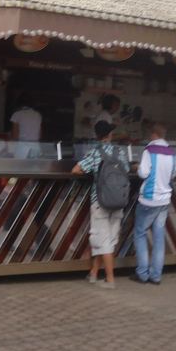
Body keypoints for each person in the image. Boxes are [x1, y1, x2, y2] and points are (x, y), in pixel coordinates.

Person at [72, 121, 129, 288]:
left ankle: (110, 279)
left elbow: (76, 169)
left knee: (102, 241)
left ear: (97, 136)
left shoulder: (95, 152)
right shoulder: (120, 152)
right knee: (108, 239)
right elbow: (126, 169)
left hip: (100, 201)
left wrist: (94, 174)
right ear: (110, 135)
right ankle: (94, 273)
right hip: (118, 200)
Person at [131, 122, 176, 285]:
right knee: (158, 237)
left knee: (140, 233)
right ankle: (156, 275)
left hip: (149, 199)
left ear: (153, 134)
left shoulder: (149, 150)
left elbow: (143, 173)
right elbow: (172, 175)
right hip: (164, 200)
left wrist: (136, 167)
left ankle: (142, 273)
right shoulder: (172, 152)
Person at [9, 94, 42, 158]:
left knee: (20, 164)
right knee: (33, 164)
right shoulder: (38, 115)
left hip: (22, 148)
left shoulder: (17, 114)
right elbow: (40, 135)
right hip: (35, 147)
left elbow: (15, 135)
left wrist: (11, 148)